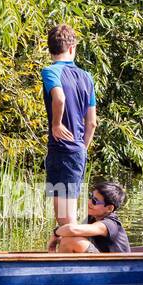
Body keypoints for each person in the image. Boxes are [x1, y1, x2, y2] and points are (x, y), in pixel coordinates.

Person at [41, 24, 97, 230]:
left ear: (50, 49)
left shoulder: (50, 71)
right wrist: (82, 148)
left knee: (66, 219)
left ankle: (80, 254)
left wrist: (56, 124)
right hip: (77, 151)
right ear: (72, 48)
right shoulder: (87, 77)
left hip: (61, 149)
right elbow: (91, 122)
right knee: (67, 214)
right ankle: (73, 253)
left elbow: (60, 98)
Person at [47, 181, 131, 254]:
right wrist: (57, 239)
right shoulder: (92, 217)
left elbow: (72, 230)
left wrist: (56, 233)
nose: (89, 202)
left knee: (69, 241)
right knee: (67, 238)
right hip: (103, 259)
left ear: (109, 208)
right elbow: (74, 233)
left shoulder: (110, 224)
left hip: (115, 266)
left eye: (94, 201)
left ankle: (63, 270)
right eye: (90, 197)